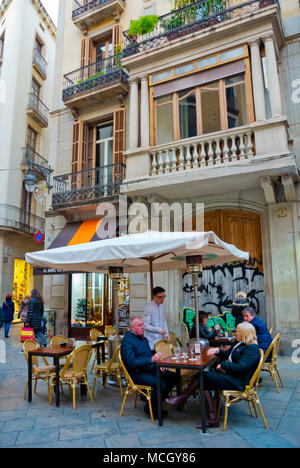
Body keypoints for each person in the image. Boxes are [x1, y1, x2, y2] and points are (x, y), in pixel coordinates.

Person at [166, 322, 260, 429]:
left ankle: (184, 399)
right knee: (203, 378)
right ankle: (211, 417)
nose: (236, 333)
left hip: (238, 381)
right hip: (231, 376)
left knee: (202, 376)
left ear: (244, 334)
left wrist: (224, 365)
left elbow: (241, 367)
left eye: (238, 331)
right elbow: (227, 354)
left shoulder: (252, 349)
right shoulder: (240, 343)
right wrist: (217, 350)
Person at [121, 317, 179, 419]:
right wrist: (152, 360)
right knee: (162, 384)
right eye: (139, 325)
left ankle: (155, 403)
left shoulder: (144, 339)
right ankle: (151, 408)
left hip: (149, 369)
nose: (143, 327)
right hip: (137, 374)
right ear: (132, 328)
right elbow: (132, 363)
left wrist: (158, 365)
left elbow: (148, 358)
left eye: (143, 325)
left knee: (175, 377)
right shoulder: (127, 342)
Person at [143, 286, 170, 353]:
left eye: (164, 296)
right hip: (151, 341)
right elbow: (145, 325)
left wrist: (167, 334)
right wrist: (159, 330)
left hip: (160, 340)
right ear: (154, 297)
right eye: (160, 297)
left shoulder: (161, 306)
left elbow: (164, 321)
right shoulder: (148, 308)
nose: (162, 299)